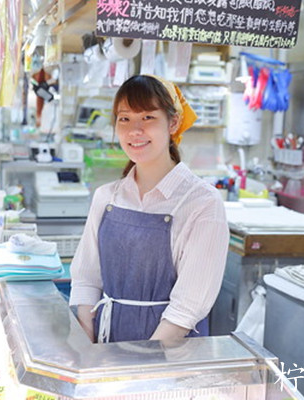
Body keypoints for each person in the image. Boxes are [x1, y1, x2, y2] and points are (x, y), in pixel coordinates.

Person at [69, 75, 229, 344]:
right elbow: (86, 279)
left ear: (173, 122)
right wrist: (88, 349)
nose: (134, 130)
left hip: (170, 356)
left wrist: (143, 363)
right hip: (107, 349)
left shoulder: (202, 203)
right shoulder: (106, 197)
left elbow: (189, 307)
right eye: (125, 119)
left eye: (147, 118)